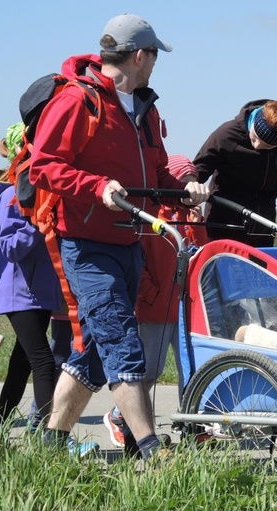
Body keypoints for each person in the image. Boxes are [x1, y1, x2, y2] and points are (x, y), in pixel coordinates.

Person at [28, 13, 210, 461]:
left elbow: (158, 166)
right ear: (140, 56)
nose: (155, 66)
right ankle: (151, 449)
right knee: (121, 341)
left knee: (93, 350)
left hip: (132, 242)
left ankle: (48, 444)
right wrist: (97, 186)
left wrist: (184, 189)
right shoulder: (77, 101)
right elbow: (44, 165)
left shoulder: (145, 109)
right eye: (153, 57)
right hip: (87, 244)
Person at [0, 126, 95, 451]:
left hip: (41, 293)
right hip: (19, 294)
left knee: (21, 364)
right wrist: (37, 223)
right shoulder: (11, 196)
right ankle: (53, 440)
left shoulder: (40, 193)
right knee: (45, 363)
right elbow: (9, 247)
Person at [103, 155, 208, 448]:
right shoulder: (153, 215)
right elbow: (142, 258)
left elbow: (201, 253)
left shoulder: (190, 216)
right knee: (150, 370)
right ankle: (120, 416)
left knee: (191, 370)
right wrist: (149, 293)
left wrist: (198, 223)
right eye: (183, 183)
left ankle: (193, 426)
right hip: (156, 308)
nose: (188, 190)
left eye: (192, 183)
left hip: (186, 308)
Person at [193, 91, 277, 245]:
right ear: (253, 122)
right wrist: (189, 194)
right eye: (256, 137)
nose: (257, 146)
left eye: (267, 146)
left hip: (263, 229)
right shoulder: (226, 135)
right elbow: (197, 171)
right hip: (224, 228)